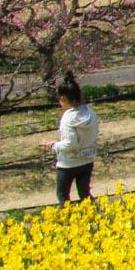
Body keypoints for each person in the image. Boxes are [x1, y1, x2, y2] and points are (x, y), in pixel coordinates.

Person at [47, 74, 100, 203]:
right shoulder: (91, 114)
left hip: (68, 164)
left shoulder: (68, 118)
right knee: (85, 195)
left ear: (63, 98)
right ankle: (95, 216)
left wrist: (53, 145)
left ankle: (66, 220)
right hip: (87, 160)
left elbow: (70, 144)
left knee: (62, 196)